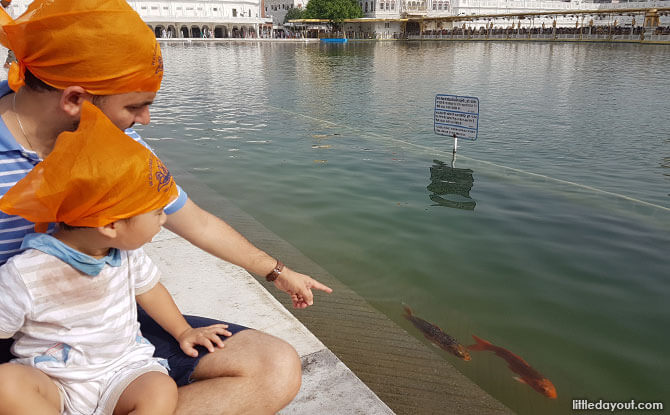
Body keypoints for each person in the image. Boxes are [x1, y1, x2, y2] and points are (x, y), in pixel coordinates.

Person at [0, 1, 332, 414]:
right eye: (135, 105)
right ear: (74, 99)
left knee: (275, 367)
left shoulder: (120, 147)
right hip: (22, 338)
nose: (147, 118)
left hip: (106, 332)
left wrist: (277, 271)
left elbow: (194, 221)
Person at [0, 102, 233, 415]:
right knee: (6, 383)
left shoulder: (126, 255)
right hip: (52, 378)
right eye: (157, 212)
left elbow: (149, 290)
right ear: (110, 225)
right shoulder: (25, 273)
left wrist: (183, 330)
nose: (164, 220)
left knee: (159, 389)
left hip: (123, 372)